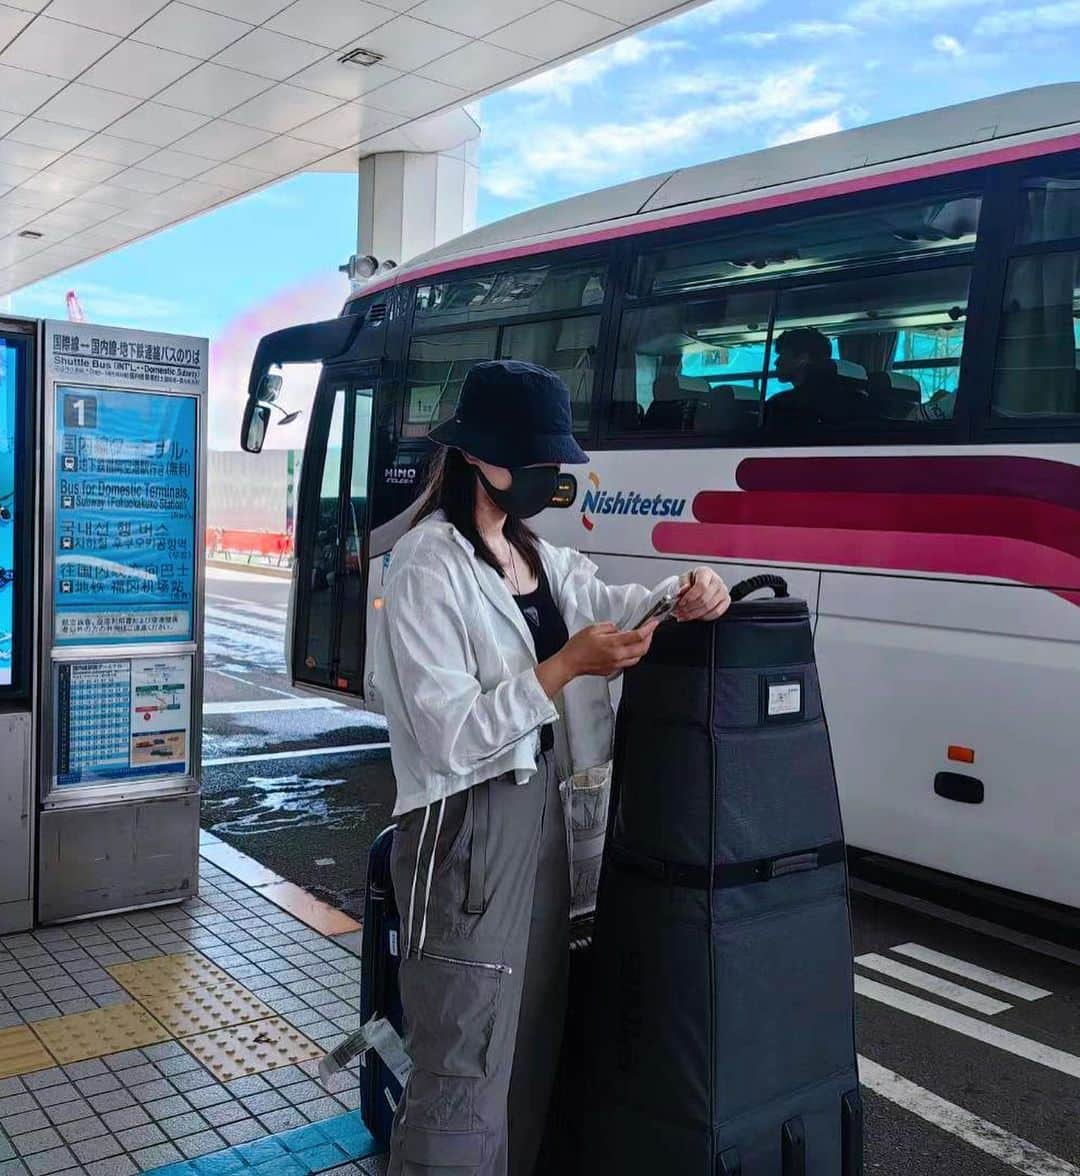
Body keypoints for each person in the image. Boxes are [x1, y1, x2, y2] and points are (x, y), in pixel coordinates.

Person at [373, 359, 730, 1176]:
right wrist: (563, 669)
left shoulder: (539, 557)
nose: (544, 474)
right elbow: (448, 736)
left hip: (544, 831)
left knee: (531, 1048)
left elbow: (614, 601)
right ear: (474, 456)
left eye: (551, 460)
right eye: (529, 459)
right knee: (464, 1064)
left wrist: (690, 589)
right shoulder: (427, 564)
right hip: (463, 832)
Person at [765, 327, 867, 428]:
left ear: (802, 358)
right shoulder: (860, 399)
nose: (776, 362)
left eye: (782, 355)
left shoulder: (781, 405)